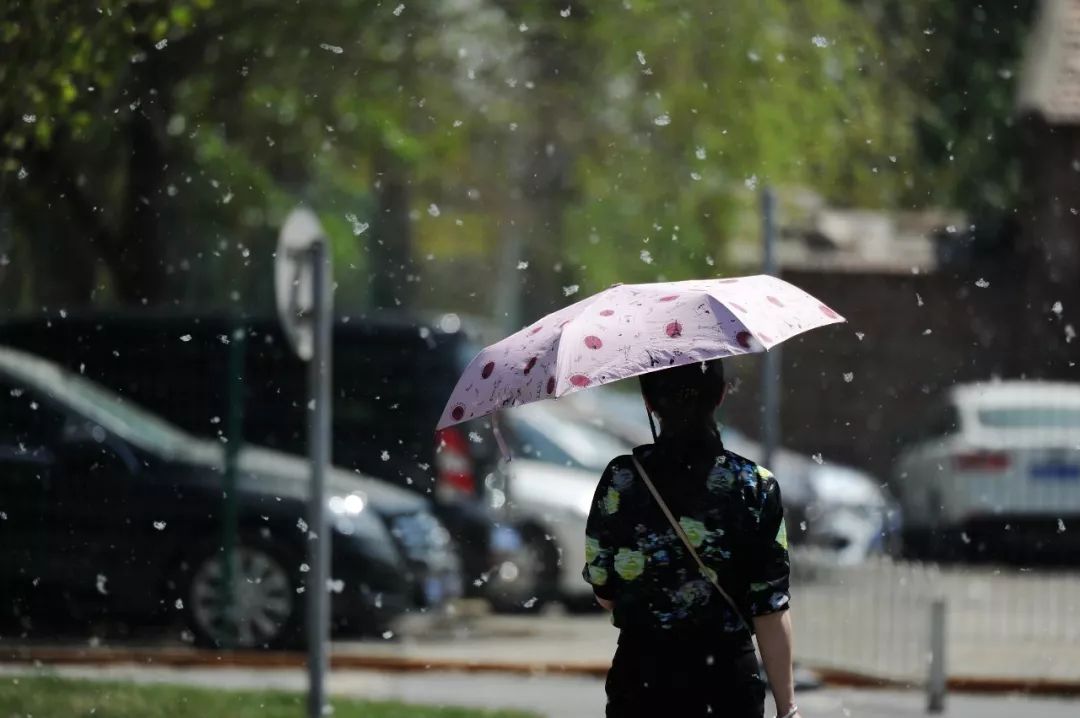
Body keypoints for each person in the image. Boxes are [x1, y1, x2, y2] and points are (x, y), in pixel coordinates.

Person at [582, 359, 800, 718]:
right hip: (727, 682)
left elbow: (604, 590)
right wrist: (787, 706)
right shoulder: (755, 485)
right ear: (721, 395)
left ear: (649, 403)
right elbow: (770, 606)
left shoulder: (622, 479)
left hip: (642, 682)